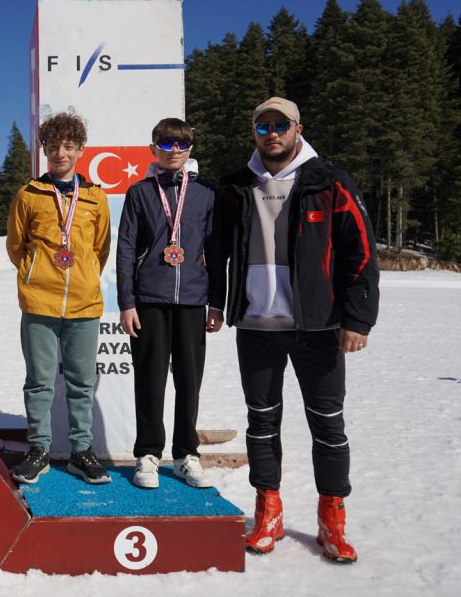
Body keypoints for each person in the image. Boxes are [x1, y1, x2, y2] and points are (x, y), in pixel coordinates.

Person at [215, 97, 378, 563]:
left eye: (280, 125)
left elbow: (362, 252)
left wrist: (358, 319)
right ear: (254, 132)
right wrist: (215, 302)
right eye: (263, 126)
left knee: (327, 423)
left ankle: (332, 518)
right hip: (256, 325)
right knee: (262, 422)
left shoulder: (330, 181)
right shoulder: (237, 185)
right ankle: (268, 511)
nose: (272, 133)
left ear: (297, 129)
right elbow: (216, 248)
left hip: (318, 326)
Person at [116, 118, 225, 490]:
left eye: (181, 143)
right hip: (149, 297)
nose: (174, 150)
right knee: (150, 380)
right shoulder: (140, 192)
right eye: (166, 143)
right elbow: (126, 248)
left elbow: (216, 250)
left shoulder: (206, 192)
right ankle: (148, 454)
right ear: (153, 149)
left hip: (193, 298)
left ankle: (185, 455)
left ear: (190, 148)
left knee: (189, 382)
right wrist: (127, 302)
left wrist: (217, 301)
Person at [6, 112, 112, 485]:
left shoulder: (95, 198)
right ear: (45, 150)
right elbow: (16, 246)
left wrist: (83, 277)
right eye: (53, 146)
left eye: (68, 146)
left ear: (81, 150)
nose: (60, 153)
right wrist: (35, 274)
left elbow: (100, 249)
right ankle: (39, 449)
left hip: (84, 305)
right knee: (39, 381)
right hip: (39, 302)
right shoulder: (28, 194)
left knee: (81, 382)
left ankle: (81, 451)